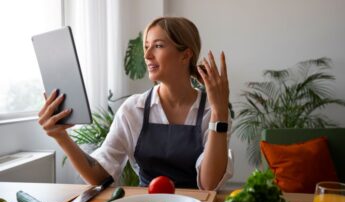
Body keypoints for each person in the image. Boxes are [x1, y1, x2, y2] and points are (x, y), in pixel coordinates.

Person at [38, 16, 233, 190]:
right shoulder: (134, 109)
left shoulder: (212, 110)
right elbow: (100, 176)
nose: (147, 55)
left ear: (185, 55)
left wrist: (219, 112)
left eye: (158, 46)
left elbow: (210, 183)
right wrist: (62, 137)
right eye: (146, 46)